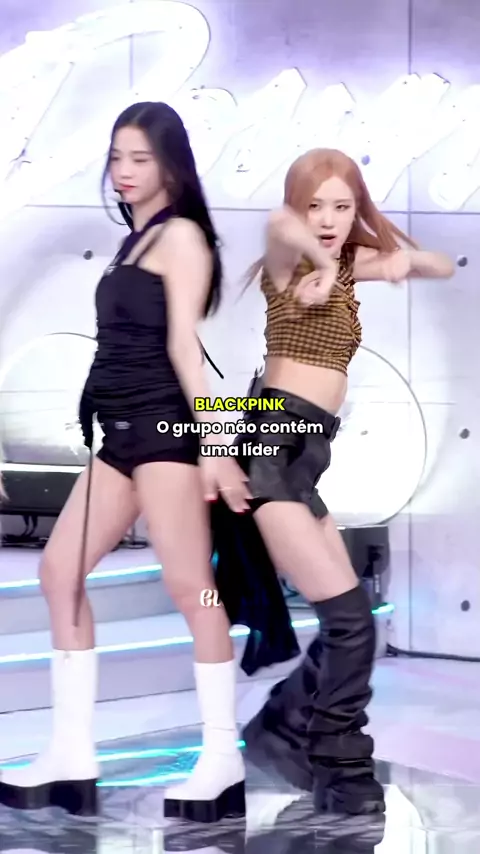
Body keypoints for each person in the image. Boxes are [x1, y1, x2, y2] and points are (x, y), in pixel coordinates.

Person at [0, 102, 251, 824]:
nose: (124, 171)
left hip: (167, 434)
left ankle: (221, 758)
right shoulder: (133, 242)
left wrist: (216, 450)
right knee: (58, 572)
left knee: (195, 591)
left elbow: (186, 352)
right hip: (120, 436)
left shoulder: (183, 238)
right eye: (116, 157)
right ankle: (71, 753)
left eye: (140, 158)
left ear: (171, 165)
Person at [234, 148, 454, 815]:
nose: (327, 220)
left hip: (307, 457)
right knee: (352, 621)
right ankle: (336, 760)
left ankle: (283, 728)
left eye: (342, 206)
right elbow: (278, 225)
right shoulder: (286, 263)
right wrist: (326, 264)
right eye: (316, 206)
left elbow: (440, 265)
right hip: (270, 448)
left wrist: (393, 258)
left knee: (351, 620)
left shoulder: (350, 263)